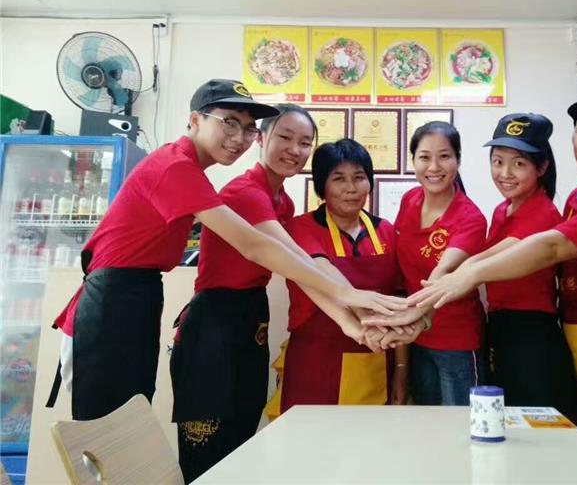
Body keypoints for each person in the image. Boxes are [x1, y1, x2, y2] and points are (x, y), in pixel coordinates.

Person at [50, 80, 405, 425]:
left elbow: (297, 265)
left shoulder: (275, 200)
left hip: (153, 296)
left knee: (135, 419)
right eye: (230, 123)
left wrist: (349, 321)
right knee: (110, 427)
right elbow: (259, 247)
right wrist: (349, 297)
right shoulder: (185, 170)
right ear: (195, 120)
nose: (239, 137)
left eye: (247, 128)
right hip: (124, 300)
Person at [409, 93, 577, 482]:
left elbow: (548, 247)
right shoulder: (575, 197)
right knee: (565, 442)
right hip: (575, 337)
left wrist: (464, 276)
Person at [169, 104, 330, 482]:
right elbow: (297, 262)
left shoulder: (283, 201)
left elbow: (301, 267)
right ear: (261, 138)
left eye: (305, 142)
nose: (294, 149)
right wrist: (358, 305)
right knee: (206, 450)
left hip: (252, 319)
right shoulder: (245, 192)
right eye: (285, 137)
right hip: (213, 325)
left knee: (242, 441)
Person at [278, 139, 425, 414]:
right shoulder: (301, 228)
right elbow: (322, 270)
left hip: (375, 356)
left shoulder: (386, 232)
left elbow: (401, 301)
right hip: (315, 361)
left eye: (359, 177)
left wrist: (401, 369)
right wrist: (362, 312)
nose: (351, 188)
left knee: (370, 438)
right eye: (339, 179)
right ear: (322, 185)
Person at [463, 113, 577, 420]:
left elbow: (488, 260)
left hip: (531, 333)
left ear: (541, 167)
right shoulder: (502, 210)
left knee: (536, 421)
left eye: (518, 163)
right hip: (500, 327)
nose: (505, 173)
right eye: (498, 161)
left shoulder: (544, 214)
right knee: (506, 420)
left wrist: (442, 284)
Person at [392, 121, 487, 406]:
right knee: (426, 422)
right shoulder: (410, 200)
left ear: (458, 159)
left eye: (444, 156)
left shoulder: (470, 218)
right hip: (416, 338)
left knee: (460, 424)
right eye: (424, 157)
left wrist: (409, 318)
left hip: (457, 342)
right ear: (413, 160)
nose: (434, 167)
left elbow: (441, 272)